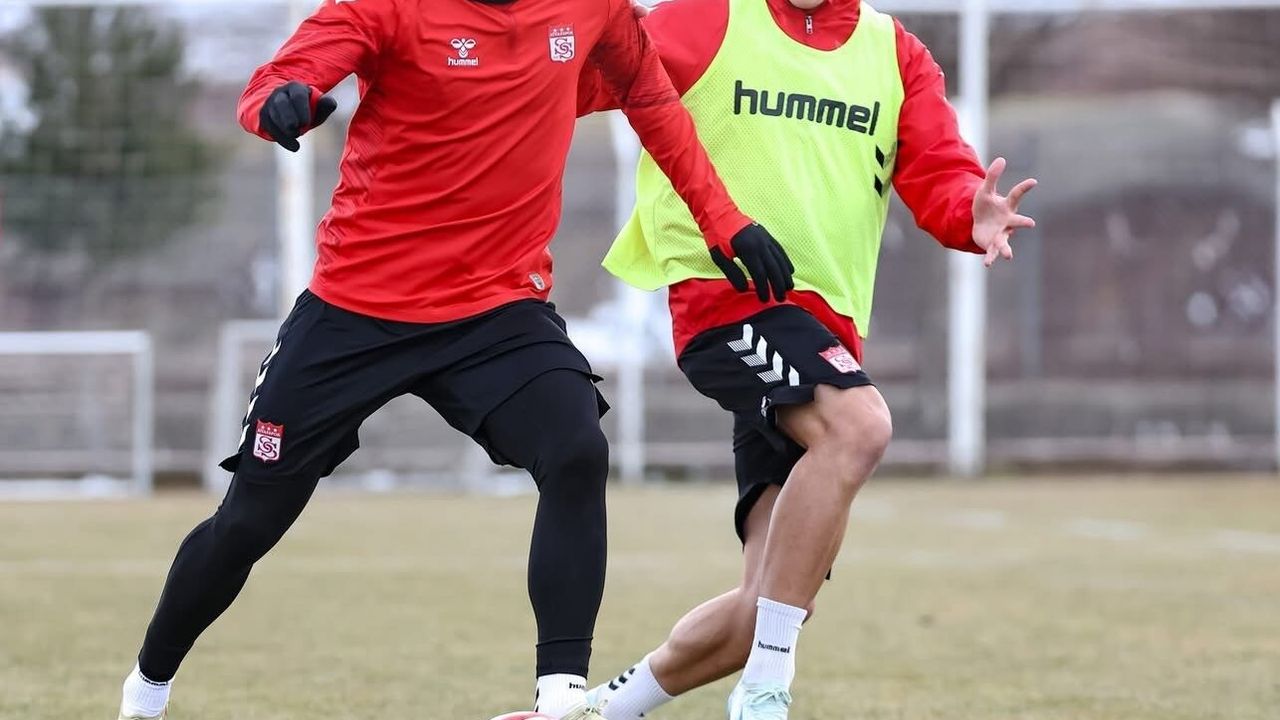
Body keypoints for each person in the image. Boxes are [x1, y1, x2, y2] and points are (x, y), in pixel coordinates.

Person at [115, 0, 796, 718]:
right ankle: (146, 692)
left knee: (574, 449)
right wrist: (276, 105)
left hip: (496, 308)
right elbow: (280, 79)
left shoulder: (592, 7)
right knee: (250, 520)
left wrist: (725, 221)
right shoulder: (386, 6)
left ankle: (562, 699)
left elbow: (650, 98)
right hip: (357, 309)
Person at [575, 0, 1037, 718]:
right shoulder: (704, 17)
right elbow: (573, 80)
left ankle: (599, 711)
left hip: (826, 340)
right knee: (861, 426)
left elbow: (939, 169)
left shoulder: (896, 53)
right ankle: (767, 687)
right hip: (727, 299)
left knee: (769, 602)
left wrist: (966, 213)